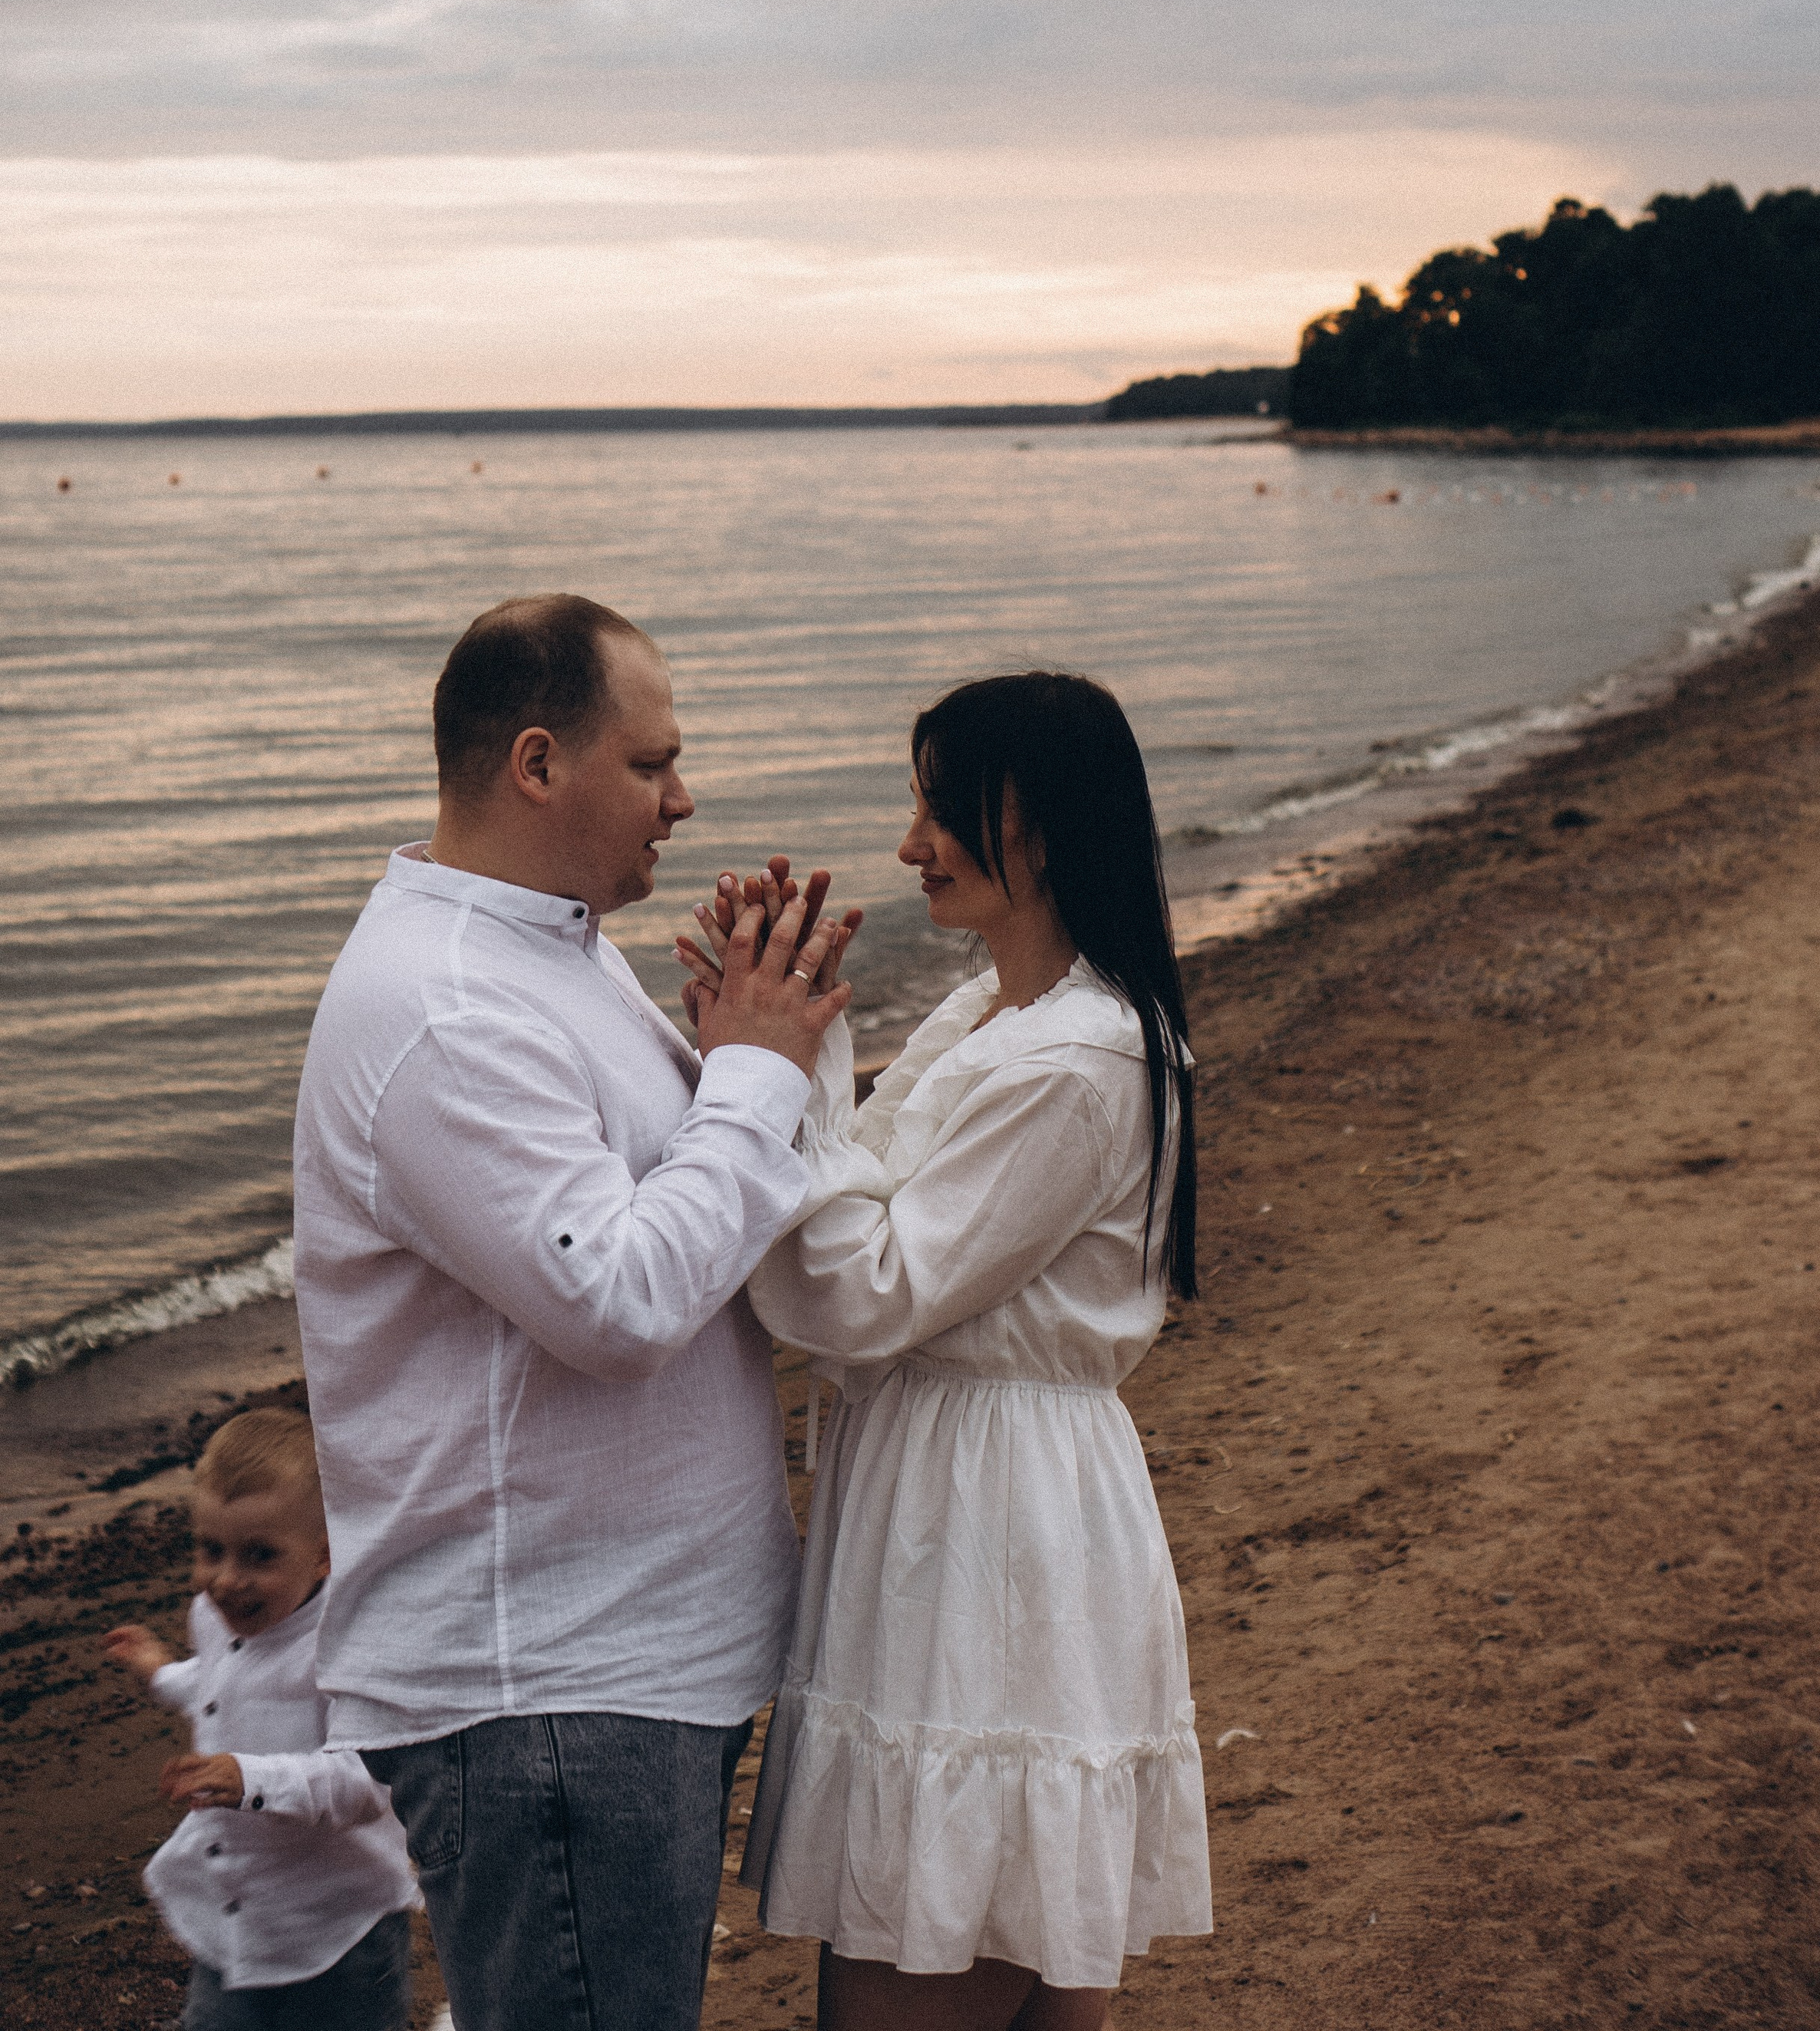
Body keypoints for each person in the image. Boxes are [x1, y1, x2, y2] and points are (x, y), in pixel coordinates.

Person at [291, 593, 856, 2031]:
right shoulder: (444, 1006)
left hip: (621, 1665)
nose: (685, 797)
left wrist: (753, 1038)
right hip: (544, 1689)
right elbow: (620, 1298)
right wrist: (756, 1071)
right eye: (653, 763)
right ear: (537, 764)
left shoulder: (557, 947)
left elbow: (688, 1207)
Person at [678, 671, 1212, 2030]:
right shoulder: (994, 1015)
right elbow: (864, 1182)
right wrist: (786, 1038)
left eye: (939, 809)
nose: (912, 844)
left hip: (986, 1519)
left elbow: (863, 1289)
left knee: (932, 1934)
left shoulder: (1074, 1061)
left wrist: (773, 1069)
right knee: (997, 1944)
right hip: (974, 1487)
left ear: (1035, 820)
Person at [102, 1406, 417, 2031]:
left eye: (259, 1556)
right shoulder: (213, 1616)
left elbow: (369, 1782)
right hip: (237, 1916)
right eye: (210, 1550)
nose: (226, 1580)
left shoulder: (341, 1651)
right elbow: (221, 1681)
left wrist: (250, 1779)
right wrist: (162, 1674)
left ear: (324, 1557)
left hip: (339, 1934)